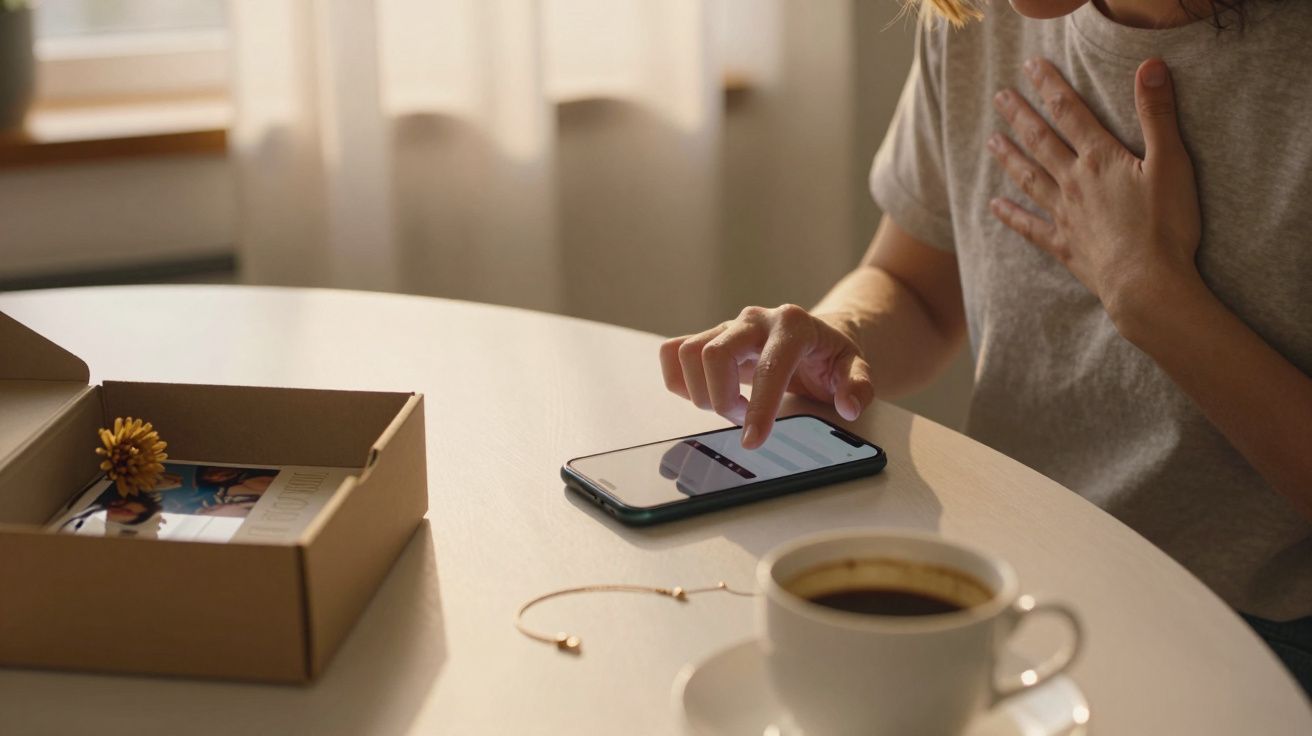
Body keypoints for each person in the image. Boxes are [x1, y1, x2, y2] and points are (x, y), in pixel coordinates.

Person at [659, 0, 1312, 693]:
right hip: (1011, 582)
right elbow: (914, 288)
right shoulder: (980, 18)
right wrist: (838, 339)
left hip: (1255, 636)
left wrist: (1150, 296)